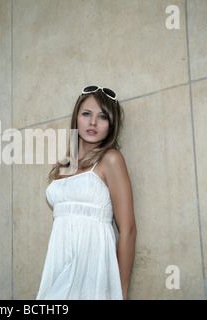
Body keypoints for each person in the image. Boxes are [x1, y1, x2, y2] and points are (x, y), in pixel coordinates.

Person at [36, 85, 137, 300]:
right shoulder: (64, 165)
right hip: (59, 263)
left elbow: (127, 229)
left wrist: (121, 292)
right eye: (86, 114)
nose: (93, 122)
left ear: (111, 125)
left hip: (93, 270)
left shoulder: (111, 159)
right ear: (76, 119)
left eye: (102, 116)